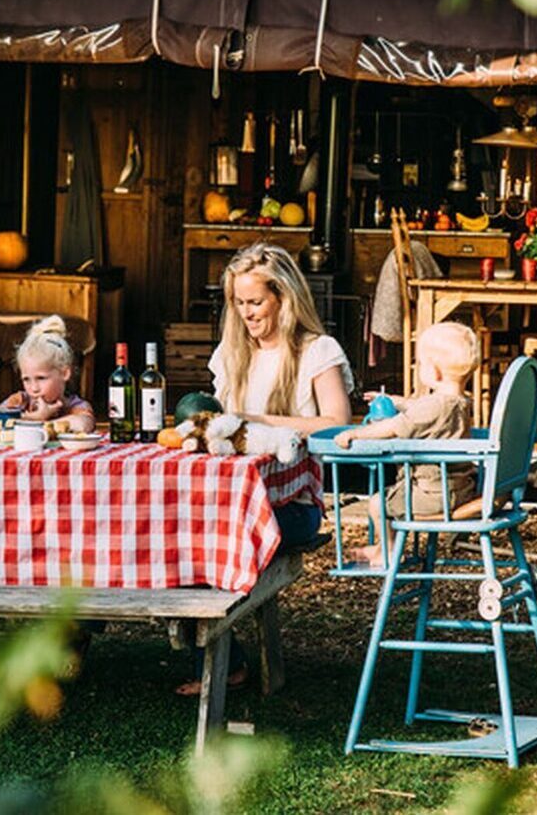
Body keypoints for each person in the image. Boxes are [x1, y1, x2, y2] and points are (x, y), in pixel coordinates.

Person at [184, 243, 353, 694]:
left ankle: (221, 665)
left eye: (255, 301)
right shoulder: (233, 354)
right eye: (238, 303)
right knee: (181, 527)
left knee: (206, 537)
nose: (246, 313)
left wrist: (261, 420)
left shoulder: (317, 351)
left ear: (284, 297)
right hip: (233, 501)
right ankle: (220, 656)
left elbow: (338, 425)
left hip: (294, 505)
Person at [335, 321, 477, 568]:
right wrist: (397, 401)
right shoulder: (461, 403)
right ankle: (382, 547)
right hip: (461, 488)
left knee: (378, 503)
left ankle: (388, 550)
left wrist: (358, 433)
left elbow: (392, 428)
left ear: (435, 372)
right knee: (393, 497)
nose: (419, 367)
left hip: (433, 495)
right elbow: (424, 410)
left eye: (421, 363)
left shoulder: (433, 406)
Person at [0, 316, 96, 434]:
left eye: (41, 378)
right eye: (26, 379)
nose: (33, 388)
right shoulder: (20, 401)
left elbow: (83, 425)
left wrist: (42, 420)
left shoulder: (74, 406)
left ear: (64, 373)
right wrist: (33, 418)